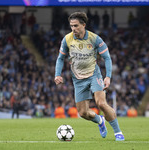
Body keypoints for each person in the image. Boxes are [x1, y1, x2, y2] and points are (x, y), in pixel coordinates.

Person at [54, 12, 124, 141]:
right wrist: (57, 74)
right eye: (71, 26)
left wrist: (108, 77)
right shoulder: (67, 39)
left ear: (83, 25)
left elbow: (107, 58)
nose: (73, 29)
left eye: (76, 25)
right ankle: (99, 120)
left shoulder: (95, 39)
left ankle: (118, 132)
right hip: (77, 78)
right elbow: (60, 58)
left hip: (94, 74)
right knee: (83, 113)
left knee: (101, 104)